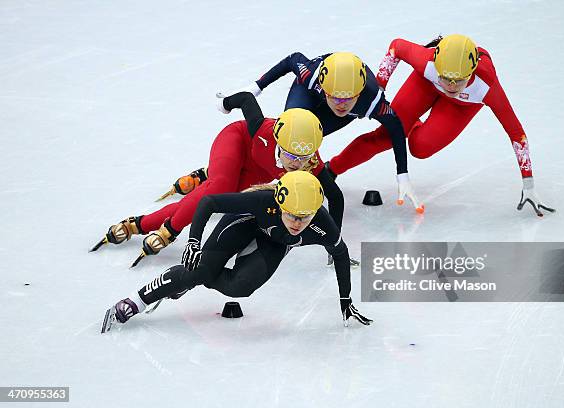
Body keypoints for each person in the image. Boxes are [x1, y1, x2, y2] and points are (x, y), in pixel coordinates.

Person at [90, 92, 352, 266]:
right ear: (277, 141)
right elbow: (247, 99)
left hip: (255, 173)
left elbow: (335, 196)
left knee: (215, 197)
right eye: (288, 154)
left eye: (302, 158)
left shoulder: (312, 164)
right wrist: (225, 103)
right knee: (221, 186)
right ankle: (171, 230)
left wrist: (334, 244)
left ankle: (139, 224)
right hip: (236, 143)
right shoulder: (262, 129)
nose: (295, 162)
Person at [101, 171, 372, 332]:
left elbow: (340, 254)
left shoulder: (323, 225)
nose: (298, 223)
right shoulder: (263, 200)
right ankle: (137, 301)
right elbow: (208, 202)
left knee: (239, 288)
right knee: (200, 269)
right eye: (291, 215)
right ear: (279, 204)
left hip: (274, 243)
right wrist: (193, 242)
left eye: (306, 217)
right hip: (245, 222)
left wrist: (345, 300)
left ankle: (187, 277)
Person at [326, 34, 555, 217]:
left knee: (420, 148)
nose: (451, 85)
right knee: (386, 136)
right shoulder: (427, 62)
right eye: (445, 77)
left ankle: (411, 123)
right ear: (436, 63)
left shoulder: (487, 86)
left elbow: (516, 133)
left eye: (459, 81)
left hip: (461, 106)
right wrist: (379, 88)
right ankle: (331, 169)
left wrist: (529, 183)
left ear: (472, 72)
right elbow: (396, 47)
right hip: (426, 83)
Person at [232, 51, 423, 211]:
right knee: (293, 131)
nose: (341, 104)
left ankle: (295, 181)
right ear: (323, 87)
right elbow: (293, 59)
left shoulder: (372, 101)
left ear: (359, 93)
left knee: (305, 144)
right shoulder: (311, 76)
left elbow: (396, 129)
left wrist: (403, 175)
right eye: (335, 98)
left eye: (349, 99)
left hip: (340, 107)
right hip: (308, 92)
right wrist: (256, 86)